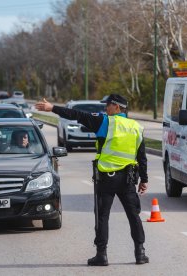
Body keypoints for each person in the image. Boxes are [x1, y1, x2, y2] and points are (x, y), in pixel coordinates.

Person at [35, 94, 149, 266]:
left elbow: (78, 115)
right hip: (128, 179)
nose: (105, 108)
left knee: (102, 216)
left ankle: (101, 255)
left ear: (117, 107)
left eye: (108, 105)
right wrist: (144, 180)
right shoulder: (136, 127)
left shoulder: (105, 122)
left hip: (107, 179)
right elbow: (142, 157)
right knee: (134, 216)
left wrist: (53, 108)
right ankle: (140, 253)